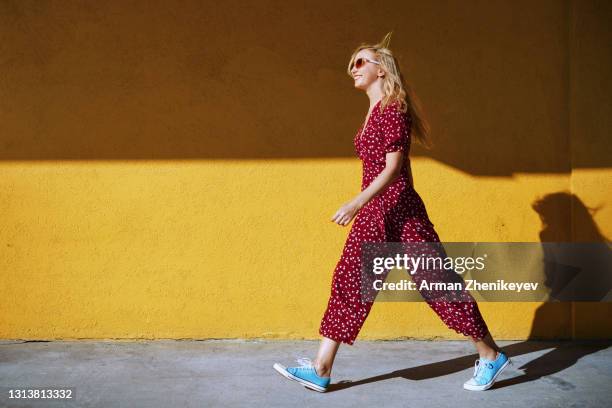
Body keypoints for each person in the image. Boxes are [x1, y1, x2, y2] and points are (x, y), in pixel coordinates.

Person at [273, 32, 511, 393]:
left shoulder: (393, 108)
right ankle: (321, 367)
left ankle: (490, 355)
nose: (352, 68)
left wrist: (355, 202)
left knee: (439, 285)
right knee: (349, 281)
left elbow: (393, 168)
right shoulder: (373, 110)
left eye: (360, 62)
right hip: (377, 212)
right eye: (351, 63)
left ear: (382, 69)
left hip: (400, 210)